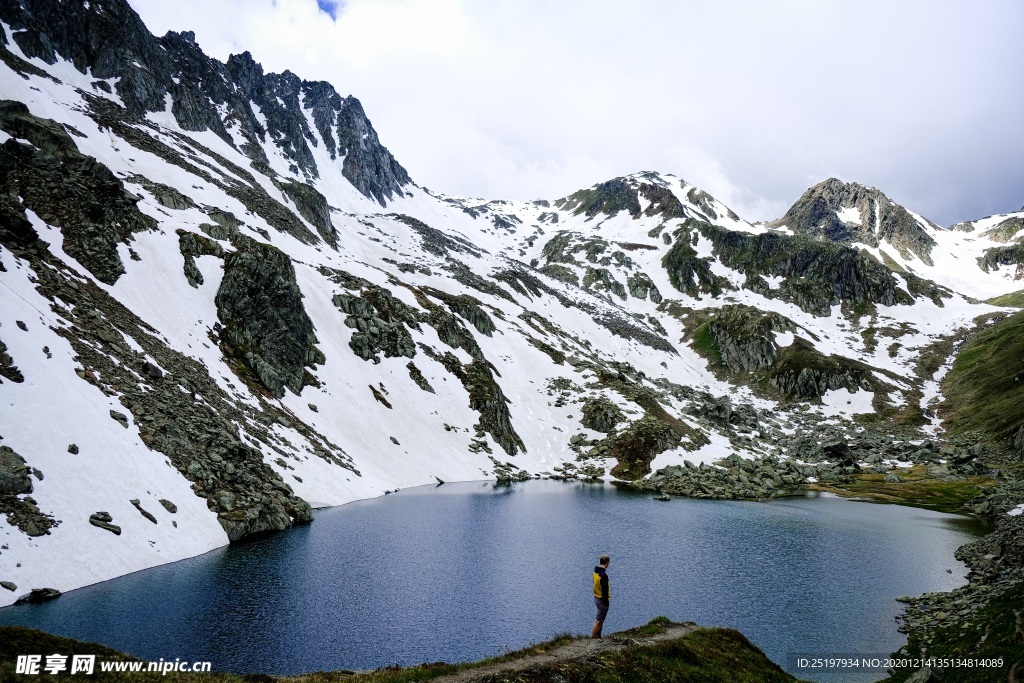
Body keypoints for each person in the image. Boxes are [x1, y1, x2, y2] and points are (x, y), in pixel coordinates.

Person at [591, 554, 610, 638]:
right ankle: (593, 639)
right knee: (598, 621)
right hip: (602, 600)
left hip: (596, 597)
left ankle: (598, 637)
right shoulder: (604, 576)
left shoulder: (596, 571)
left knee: (601, 620)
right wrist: (606, 602)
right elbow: (605, 590)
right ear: (607, 562)